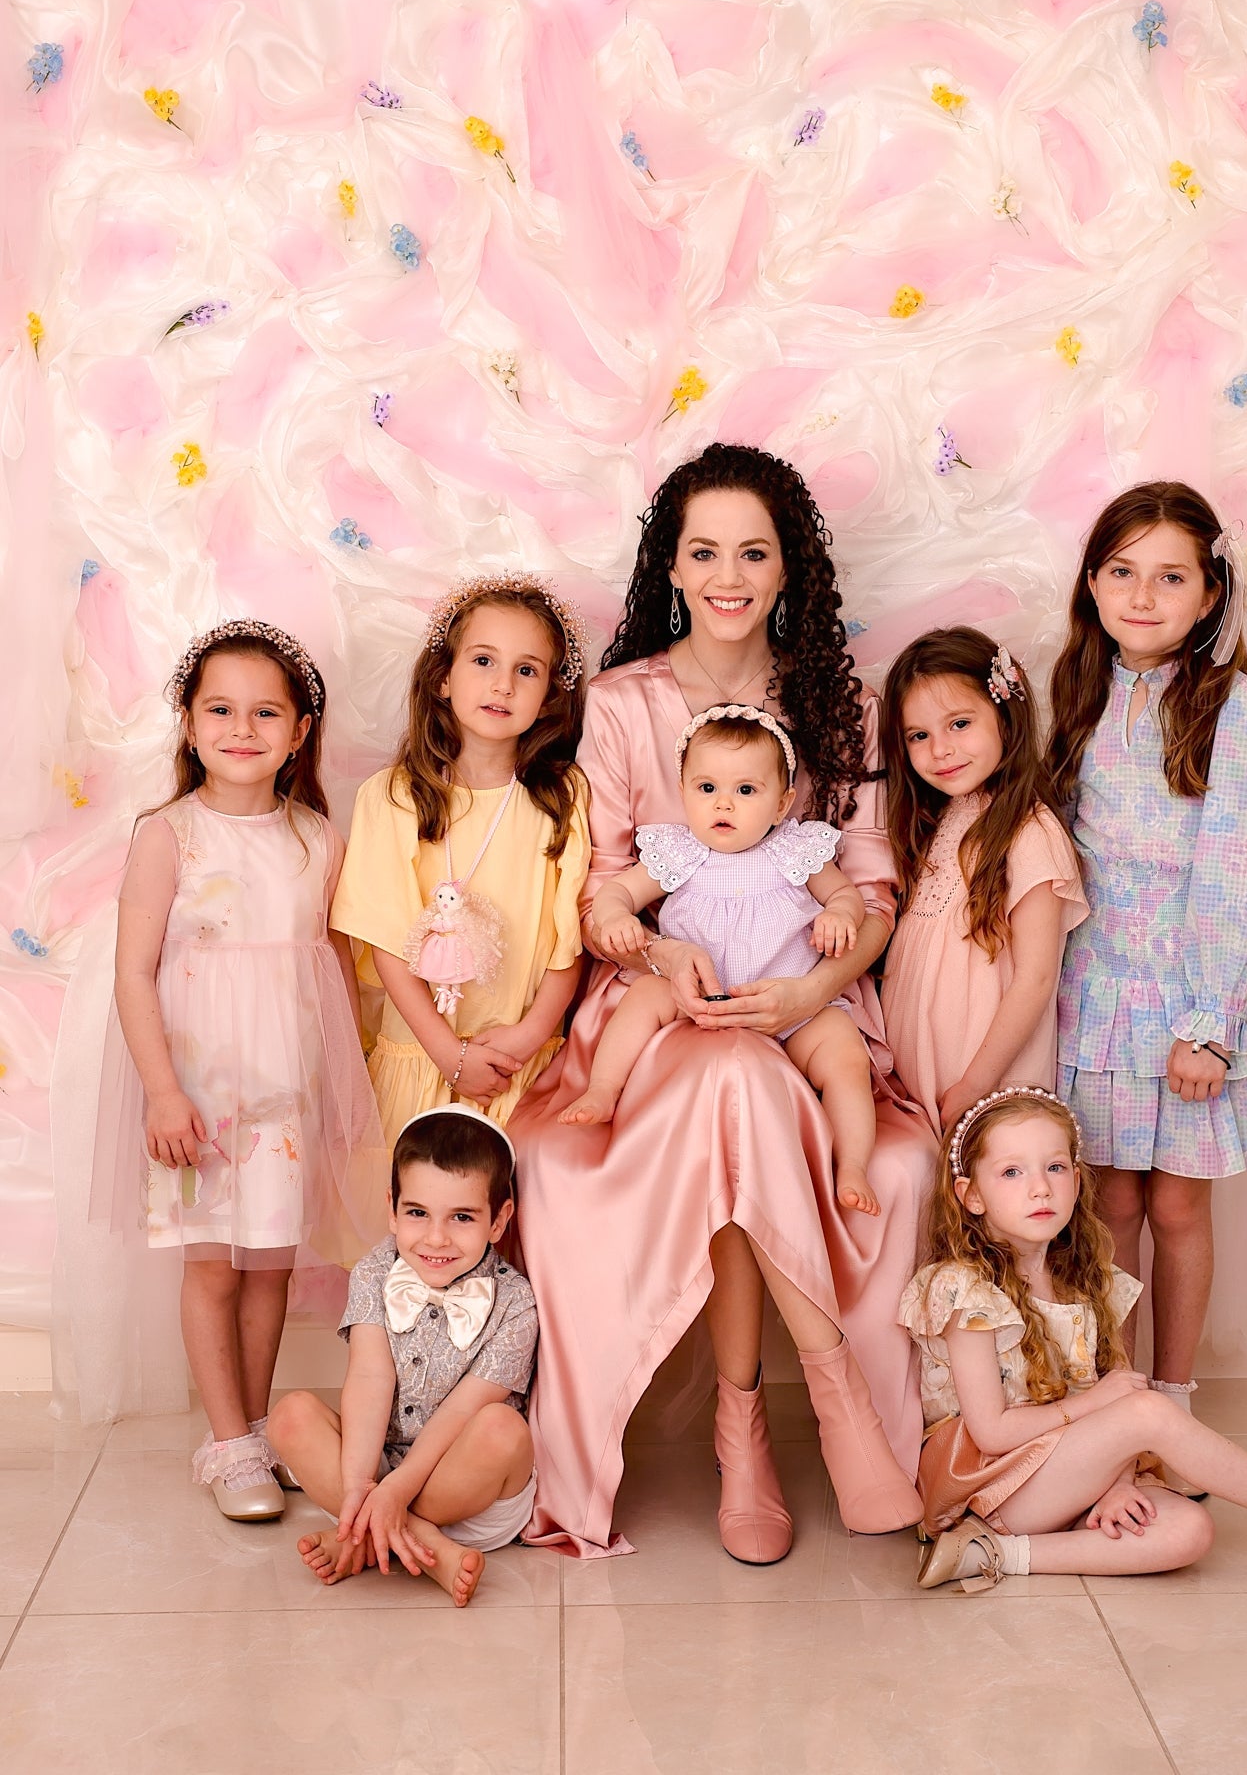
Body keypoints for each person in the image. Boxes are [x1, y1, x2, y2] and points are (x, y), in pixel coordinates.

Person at [512, 443, 930, 1562]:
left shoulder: (843, 706)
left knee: (757, 1078)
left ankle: (766, 1422)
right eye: (704, 552)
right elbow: (602, 891)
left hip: (806, 997)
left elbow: (873, 892)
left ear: (789, 567)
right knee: (734, 1074)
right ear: (672, 566)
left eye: (754, 551)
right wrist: (658, 955)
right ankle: (792, 1415)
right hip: (662, 1012)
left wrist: (815, 984)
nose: (728, 575)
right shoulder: (621, 705)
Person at [900, 1088, 1247, 1592]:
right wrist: (1101, 1407)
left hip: (1061, 1480)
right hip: (992, 1489)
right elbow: (992, 1432)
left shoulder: (1086, 1281)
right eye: (1012, 1172)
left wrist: (1116, 1483)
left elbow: (1103, 1417)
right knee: (1146, 1409)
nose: (1040, 1187)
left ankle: (995, 1555)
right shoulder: (964, 1288)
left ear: (1077, 1182)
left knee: (1189, 1530)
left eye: (1055, 1167)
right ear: (971, 1195)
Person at [97, 620, 387, 1520]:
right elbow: (133, 973)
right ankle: (225, 1443)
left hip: (283, 1093)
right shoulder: (168, 835)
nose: (242, 728)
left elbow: (332, 972)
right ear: (189, 725)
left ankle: (256, 1433)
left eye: (266, 713)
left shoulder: (316, 839)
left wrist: (343, 1090)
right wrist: (162, 1092)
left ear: (300, 732)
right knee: (214, 1264)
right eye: (220, 710)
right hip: (198, 1091)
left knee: (269, 1264)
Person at [1046, 482, 1247, 1412]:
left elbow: (1239, 869)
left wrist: (1209, 1022)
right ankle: (1119, 1399)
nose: (1142, 596)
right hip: (1097, 996)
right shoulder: (1078, 692)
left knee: (1178, 1203)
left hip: (1187, 993)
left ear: (1211, 593)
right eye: (1122, 572)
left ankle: (1175, 1396)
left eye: (1171, 577)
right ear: (1093, 583)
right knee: (1107, 1203)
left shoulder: (1238, 707)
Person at [560, 704, 881, 1216]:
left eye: (746, 790)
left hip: (792, 1008)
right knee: (644, 996)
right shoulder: (680, 852)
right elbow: (615, 891)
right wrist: (617, 915)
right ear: (683, 790)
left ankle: (852, 1164)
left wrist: (839, 915)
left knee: (844, 1053)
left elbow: (848, 896)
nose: (723, 803)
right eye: (706, 788)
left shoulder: (794, 849)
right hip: (698, 1004)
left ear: (782, 803)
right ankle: (603, 1088)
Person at [332, 574, 591, 1143]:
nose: (503, 685)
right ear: (444, 678)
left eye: (527, 670)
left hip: (520, 1064)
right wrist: (449, 1054)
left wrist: (527, 1038)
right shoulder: (392, 796)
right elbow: (385, 942)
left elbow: (567, 941)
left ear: (550, 695)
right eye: (483, 661)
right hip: (422, 1052)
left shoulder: (564, 796)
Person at [269, 1106, 538, 1609]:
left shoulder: (515, 1303)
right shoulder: (374, 1270)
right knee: (290, 1415)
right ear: (392, 1209)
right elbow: (370, 1378)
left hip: (463, 1493)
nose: (436, 1238)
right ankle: (415, 1541)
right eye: (418, 1214)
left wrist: (397, 1491)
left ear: (499, 1219)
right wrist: (360, 1487)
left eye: (462, 1217)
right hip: (372, 1475)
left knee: (503, 1430)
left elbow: (463, 1410)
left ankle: (366, 1533)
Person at [879, 626, 1087, 1136]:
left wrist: (975, 1084)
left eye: (960, 723)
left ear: (1005, 717)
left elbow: (1036, 979)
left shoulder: (1029, 831)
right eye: (919, 736)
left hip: (986, 1086)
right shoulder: (939, 822)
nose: (940, 749)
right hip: (921, 1088)